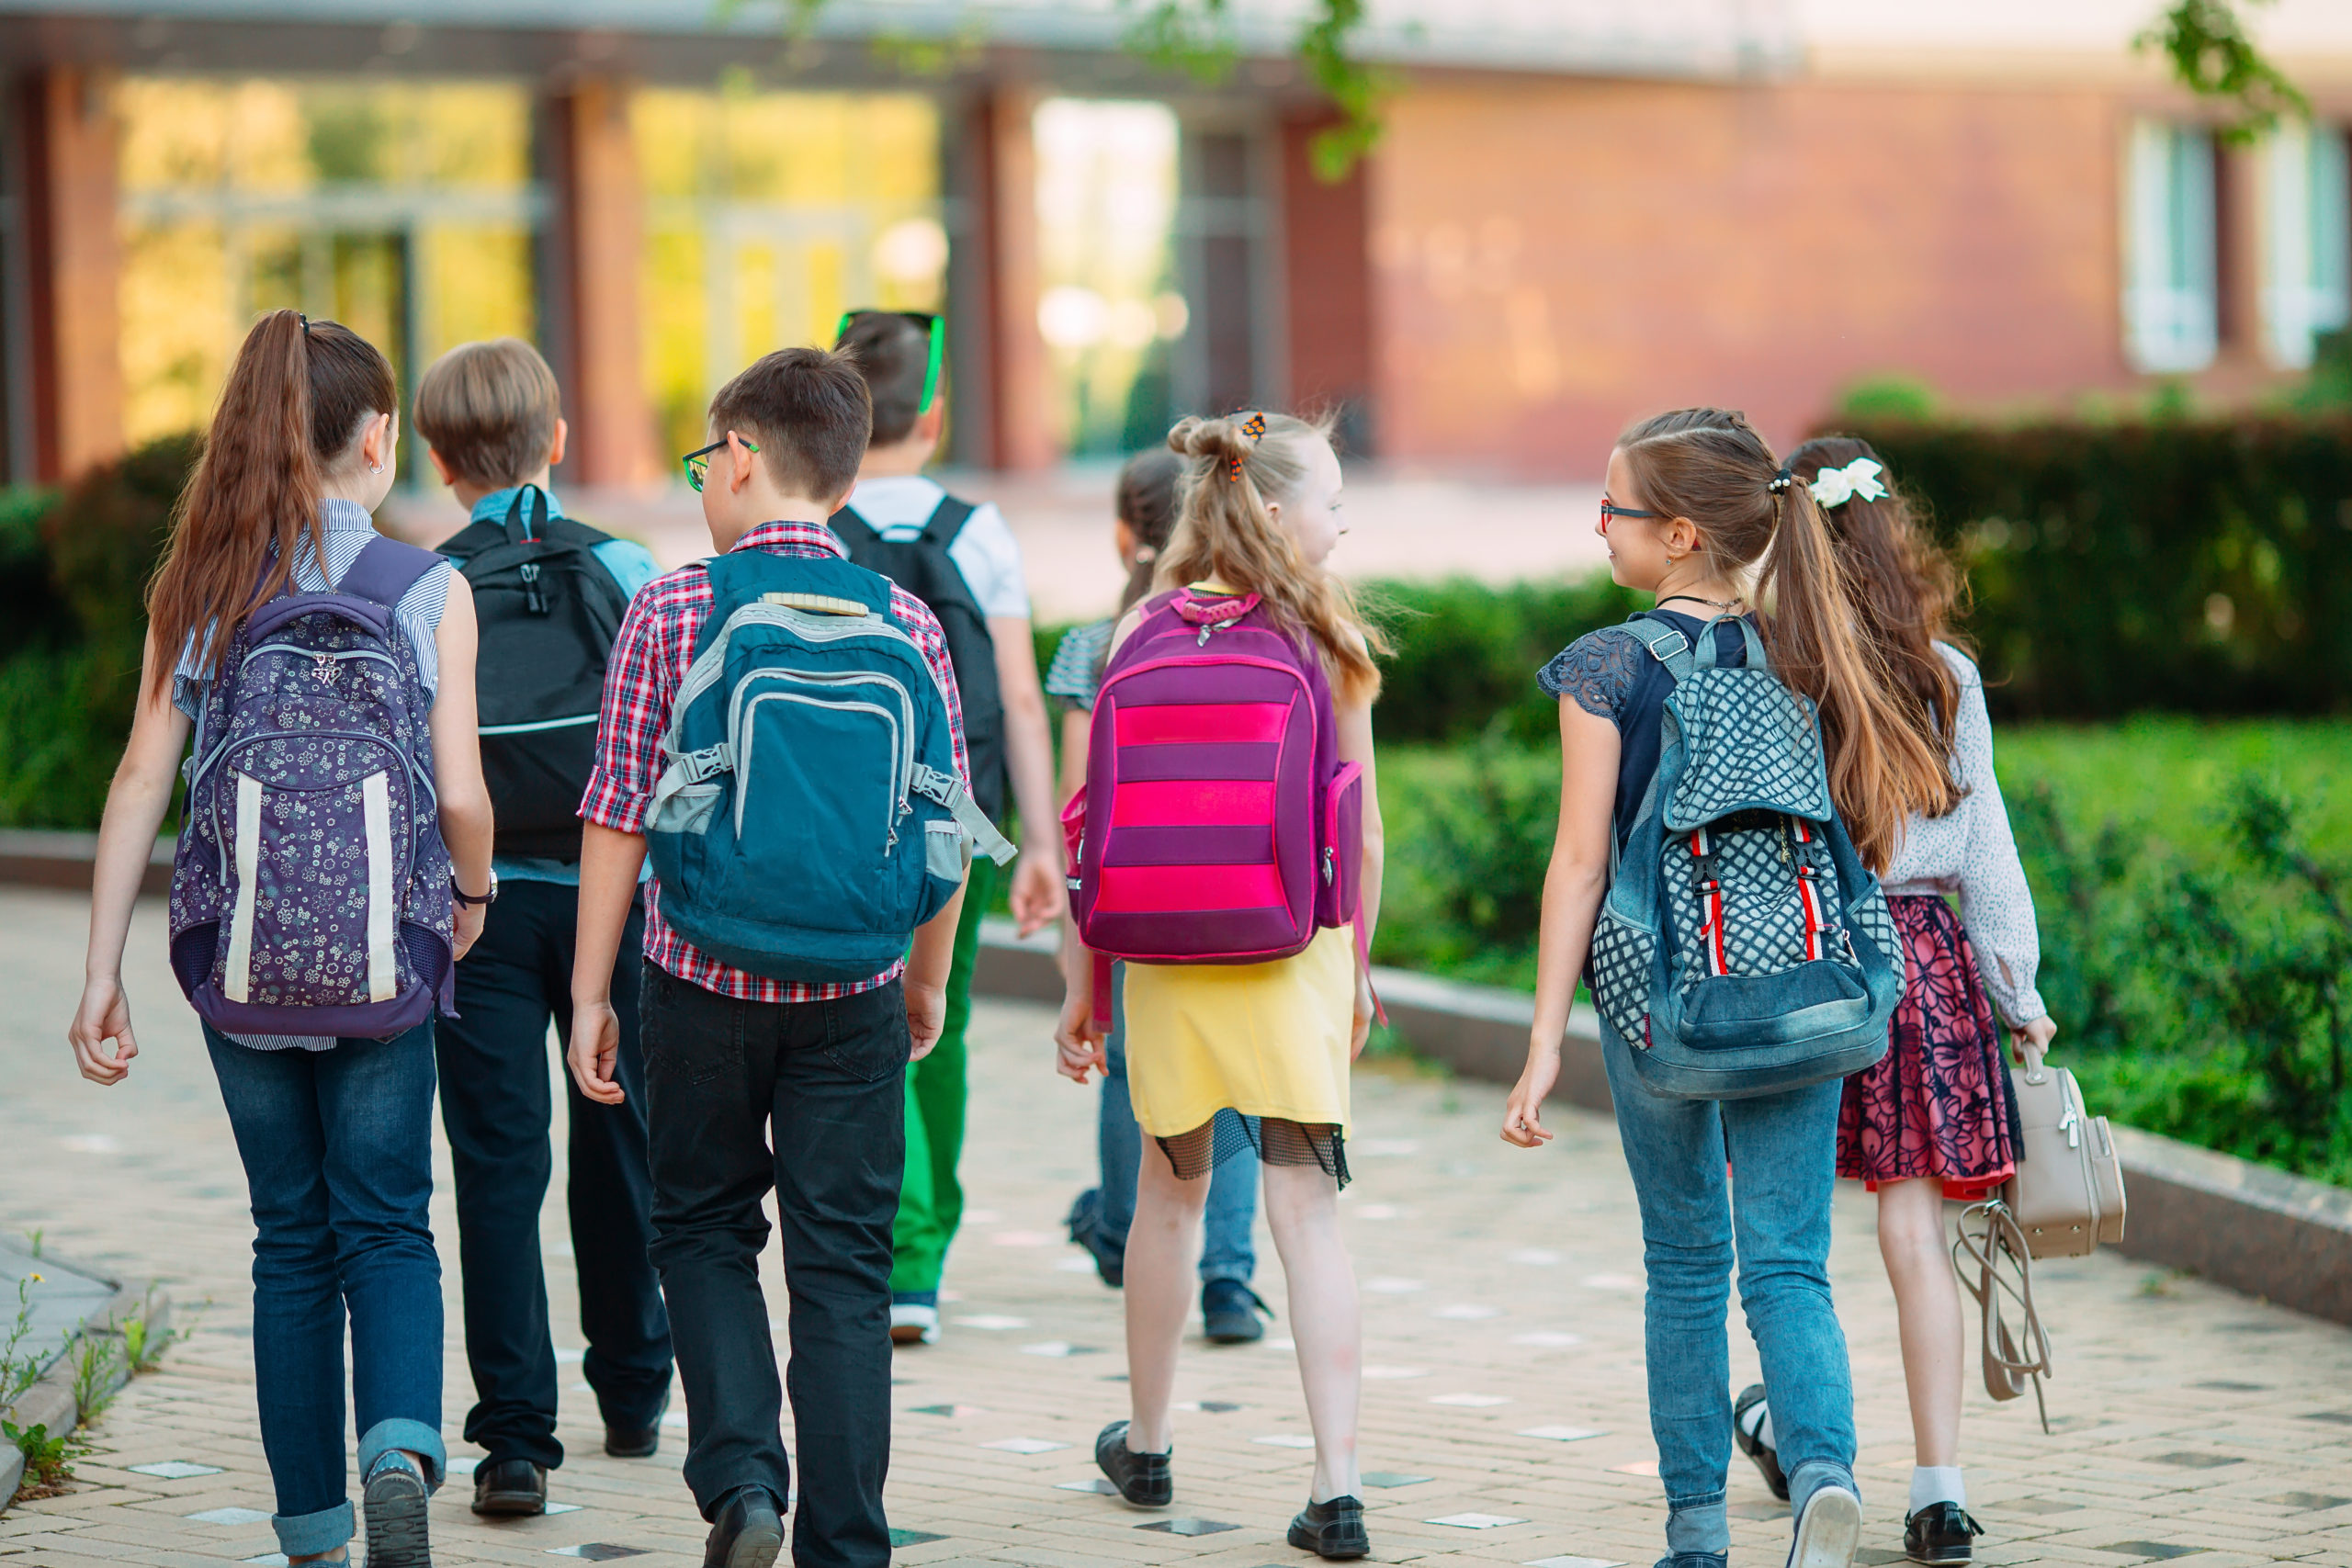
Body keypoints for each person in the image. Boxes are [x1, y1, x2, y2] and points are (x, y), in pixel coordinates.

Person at [68, 310, 494, 1568]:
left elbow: (143, 776)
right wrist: (467, 901)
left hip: (241, 958)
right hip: (386, 954)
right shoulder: (429, 587)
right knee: (389, 1220)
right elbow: (462, 795)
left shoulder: (198, 584)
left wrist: (101, 970)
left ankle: (311, 1525)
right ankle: (399, 1448)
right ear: (379, 437)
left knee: (289, 1237)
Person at [1502, 409, 1957, 1568]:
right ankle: (1821, 1476)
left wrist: (1546, 1036)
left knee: (1686, 1263)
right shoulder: (1811, 651)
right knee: (1789, 1260)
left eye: (1616, 510)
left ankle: (1697, 1535)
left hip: (1662, 1003)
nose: (1601, 527)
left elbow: (1580, 862)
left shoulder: (1607, 667)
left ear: (1681, 537)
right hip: (1806, 993)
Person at [566, 345, 971, 1568]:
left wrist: (591, 989)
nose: (701, 480)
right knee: (845, 1266)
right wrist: (926, 976)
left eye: (704, 457)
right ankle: (848, 1539)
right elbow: (942, 817)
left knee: (700, 1228)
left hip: (697, 976)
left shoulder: (673, 606)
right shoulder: (902, 617)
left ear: (740, 456)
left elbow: (618, 809)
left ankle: (744, 1479)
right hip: (852, 986)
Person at [1056, 412, 1386, 1561]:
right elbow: (1365, 823)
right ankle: (1335, 1489)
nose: (1341, 520)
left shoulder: (1137, 628)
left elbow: (1095, 821)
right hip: (1290, 950)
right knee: (1305, 1215)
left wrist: (1084, 986)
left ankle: (1145, 1447)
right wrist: (1359, 966)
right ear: (1280, 512)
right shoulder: (1325, 633)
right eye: (1332, 501)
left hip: (1164, 956)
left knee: (1166, 1201)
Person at [1729, 439, 2052, 1568]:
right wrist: (2019, 989)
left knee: (1784, 1239)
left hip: (1806, 962)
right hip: (1921, 965)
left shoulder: (1768, 671)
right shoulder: (1945, 673)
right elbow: (1985, 846)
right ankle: (1937, 1493)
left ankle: (1790, 1430)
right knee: (1913, 1233)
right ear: (1886, 534)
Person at [412, 337, 673, 1517]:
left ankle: (513, 1440)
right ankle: (632, 1389)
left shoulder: (420, 583)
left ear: (434, 458)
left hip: (476, 910)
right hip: (607, 902)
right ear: (558, 441)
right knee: (618, 1143)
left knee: (495, 1164)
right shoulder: (625, 565)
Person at [828, 308, 1065, 1348]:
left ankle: (887, 1241)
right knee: (942, 1022)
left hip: (834, 820)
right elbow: (1018, 696)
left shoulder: (813, 522)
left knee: (863, 1019)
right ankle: (921, 1258)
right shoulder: (977, 530)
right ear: (933, 411)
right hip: (956, 823)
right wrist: (1044, 848)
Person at [1051, 447, 1270, 1343]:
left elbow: (1080, 811)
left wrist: (1077, 955)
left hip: (1140, 895)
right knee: (1242, 1079)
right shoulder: (1263, 630)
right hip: (1246, 888)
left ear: (1122, 533)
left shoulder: (1096, 645)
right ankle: (1227, 1278)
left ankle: (1121, 1234)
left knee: (1130, 1065)